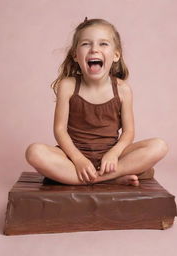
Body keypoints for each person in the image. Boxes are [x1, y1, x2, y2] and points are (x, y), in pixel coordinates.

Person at [25, 18, 168, 186]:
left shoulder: (123, 90)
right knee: (34, 152)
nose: (94, 49)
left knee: (159, 146)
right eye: (86, 44)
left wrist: (114, 154)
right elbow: (59, 130)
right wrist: (78, 159)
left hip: (111, 157)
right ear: (75, 55)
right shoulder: (68, 86)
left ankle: (83, 178)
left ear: (116, 55)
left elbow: (128, 132)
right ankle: (111, 179)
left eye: (103, 44)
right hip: (72, 157)